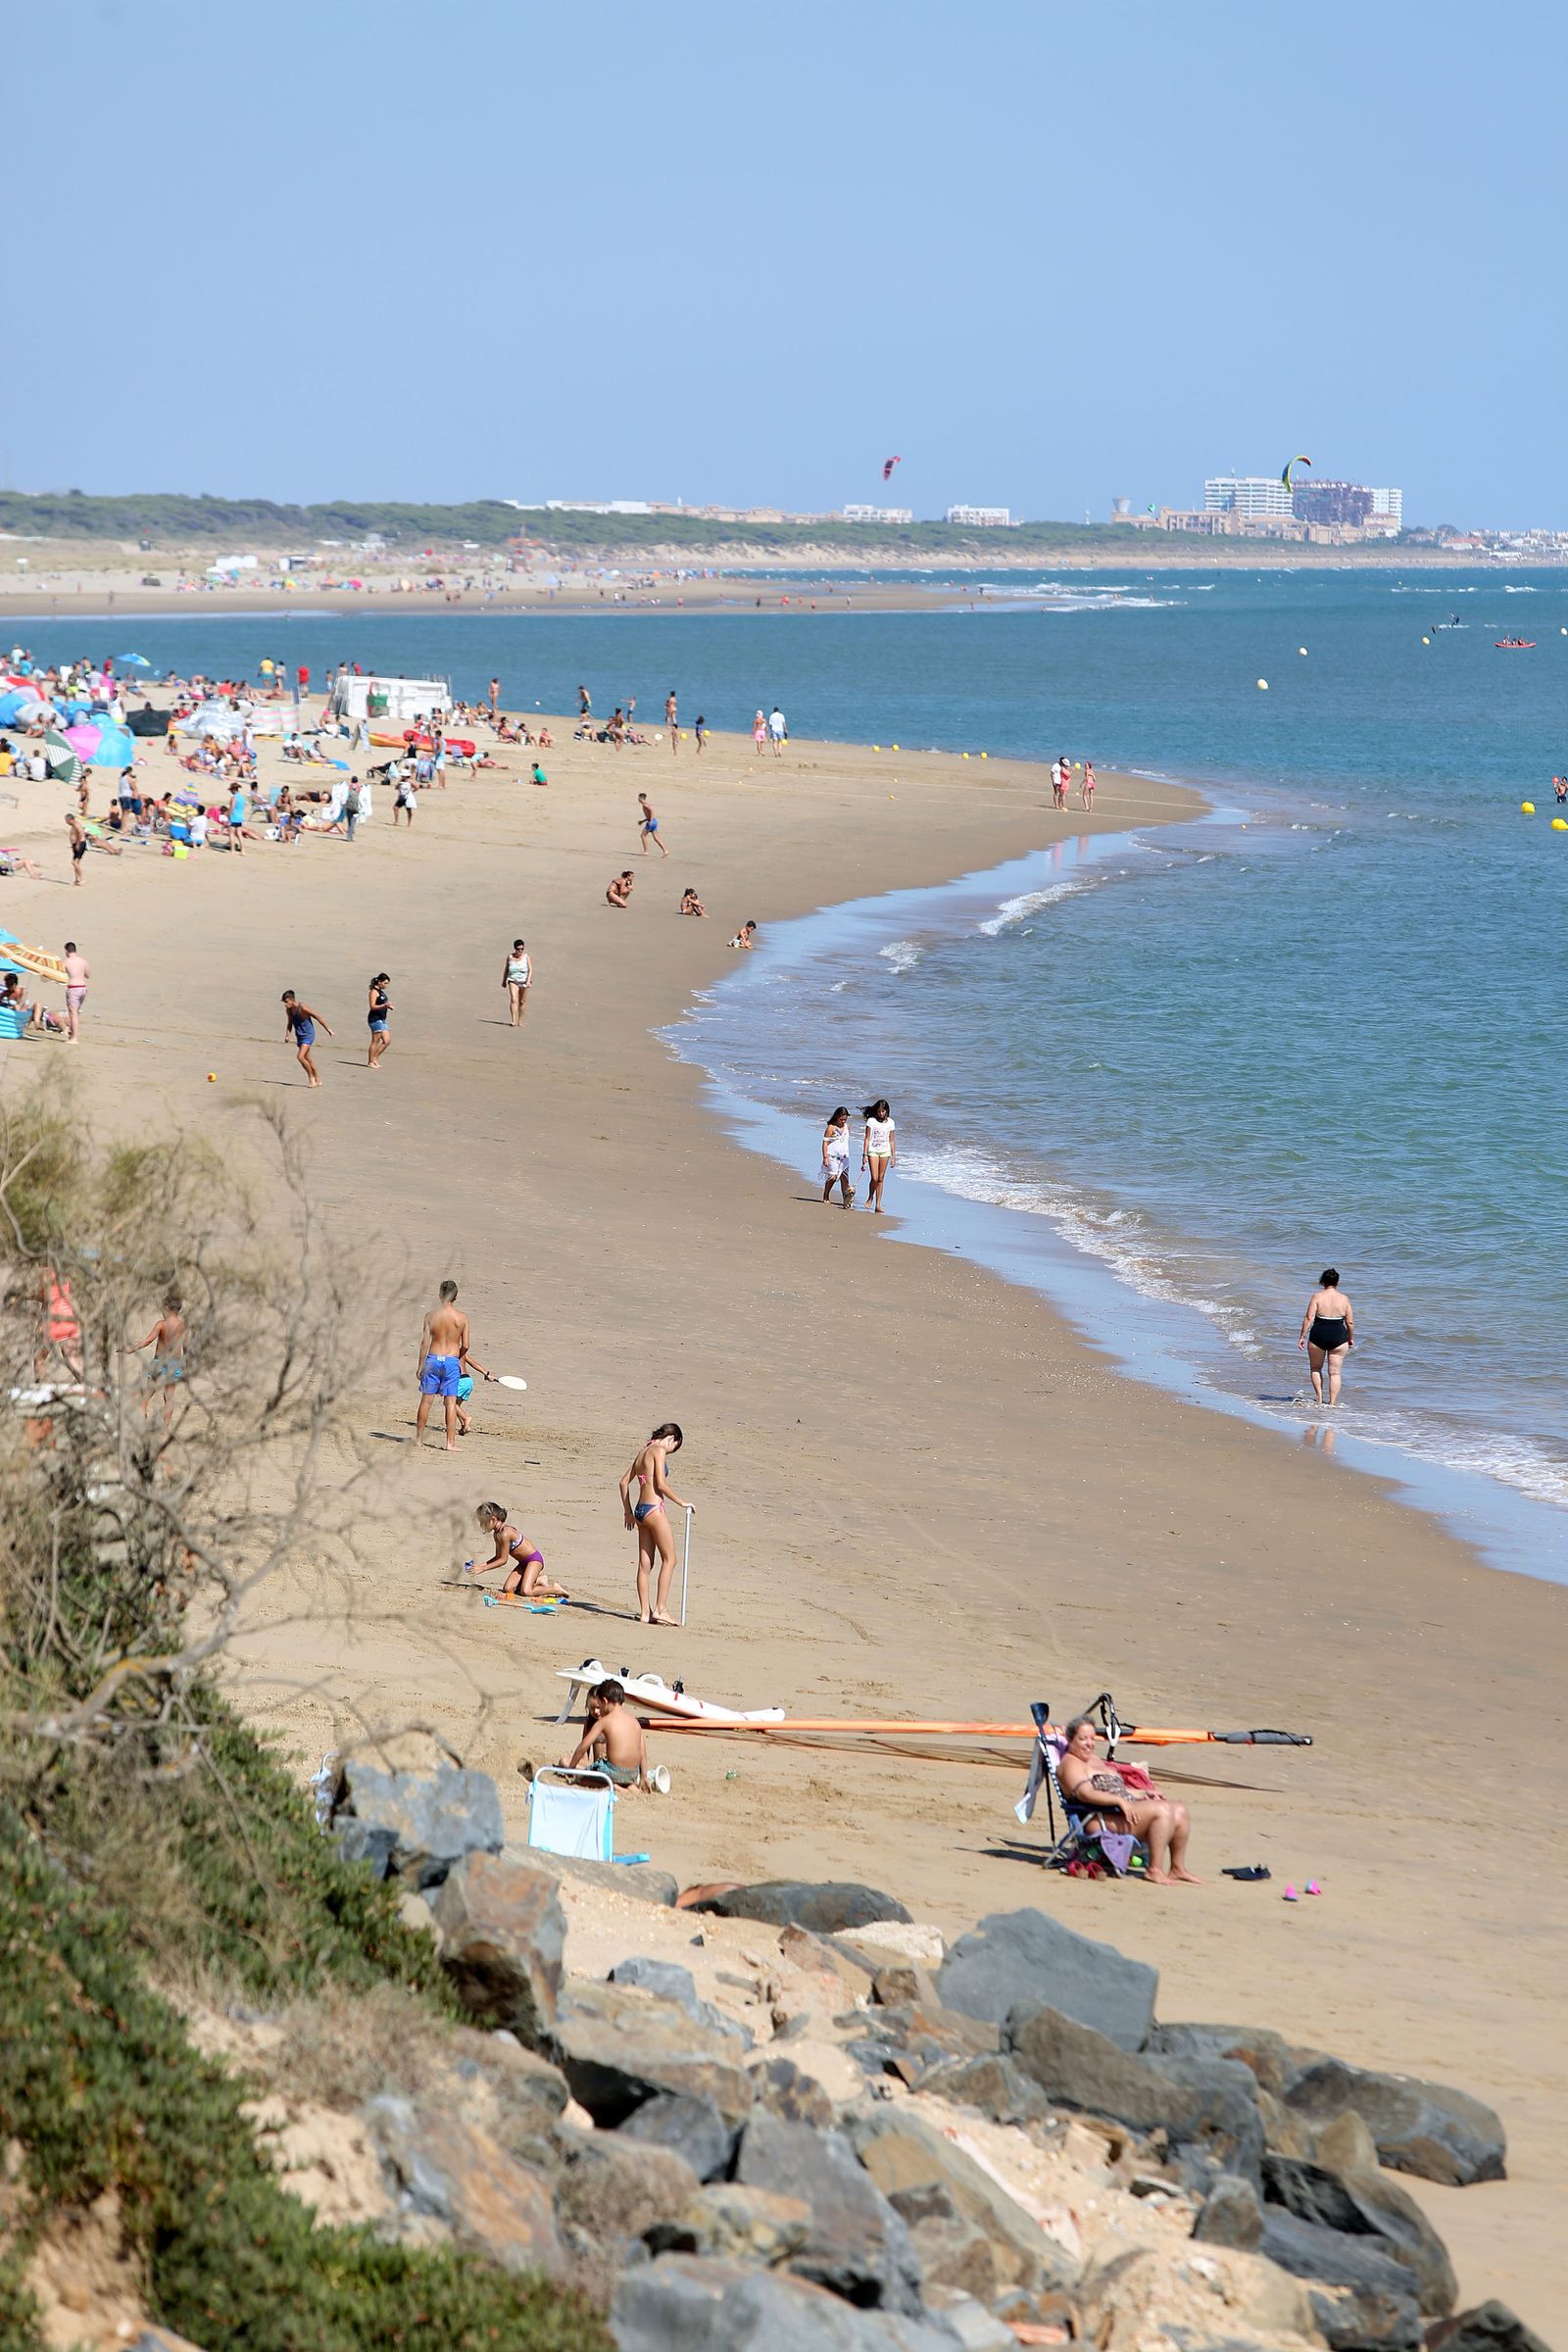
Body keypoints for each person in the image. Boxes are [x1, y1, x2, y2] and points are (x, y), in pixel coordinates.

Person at [1057, 1716, 1200, 1886]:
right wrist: (1120, 1801)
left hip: (1118, 1810)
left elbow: (1119, 1790)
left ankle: (1177, 1868)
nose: (1089, 1743)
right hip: (1098, 1818)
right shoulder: (1071, 1764)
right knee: (1163, 1810)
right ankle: (1154, 1870)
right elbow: (1086, 1794)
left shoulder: (1092, 1759)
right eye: (1082, 1739)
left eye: (1092, 1738)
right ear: (1070, 1740)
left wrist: (1144, 1793)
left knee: (1179, 1809)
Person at [619, 1422, 693, 1626]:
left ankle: (645, 1613)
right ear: (671, 1438)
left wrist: (627, 1511)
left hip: (640, 1511)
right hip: (654, 1510)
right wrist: (681, 1502)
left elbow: (623, 1482)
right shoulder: (658, 1450)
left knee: (645, 1564)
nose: (670, 1452)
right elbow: (660, 1484)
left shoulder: (643, 1452)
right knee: (670, 1559)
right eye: (673, 1447)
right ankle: (661, 1609)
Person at [559, 1678, 649, 1788]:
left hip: (611, 1772)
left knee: (580, 1779)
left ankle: (614, 1787)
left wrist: (571, 1769)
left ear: (605, 1702)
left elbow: (583, 1746)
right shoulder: (635, 1722)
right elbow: (642, 1752)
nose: (598, 1711)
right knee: (619, 1778)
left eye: (599, 1706)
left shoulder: (604, 1722)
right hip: (632, 1775)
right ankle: (630, 1788)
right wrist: (644, 1777)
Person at [467, 1500, 567, 1599]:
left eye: (483, 1522)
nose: (482, 1526)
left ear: (493, 1519)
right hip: (523, 1564)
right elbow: (498, 1557)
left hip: (534, 1560)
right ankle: (539, 1580)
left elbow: (503, 1560)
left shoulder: (505, 1533)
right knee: (508, 1589)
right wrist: (479, 1566)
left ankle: (554, 1588)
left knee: (526, 1591)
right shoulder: (497, 1534)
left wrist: (483, 1569)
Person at [416, 1278, 471, 1451]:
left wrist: (420, 1365)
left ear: (440, 1294)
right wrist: (457, 1358)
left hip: (433, 1358)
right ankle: (450, 1442)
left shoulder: (430, 1316)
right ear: (456, 1297)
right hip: (451, 1360)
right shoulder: (461, 1318)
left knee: (426, 1401)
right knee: (450, 1402)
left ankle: (418, 1439)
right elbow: (466, 1345)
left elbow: (424, 1343)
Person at [127, 1290, 187, 1427]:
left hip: (158, 1362)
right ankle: (165, 1429)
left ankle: (142, 1418)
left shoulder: (161, 1324)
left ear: (166, 1308)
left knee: (147, 1394)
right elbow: (186, 1347)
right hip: (174, 1364)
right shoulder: (183, 1326)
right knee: (169, 1397)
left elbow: (147, 1341)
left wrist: (131, 1349)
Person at [1298, 1267, 1354, 1406]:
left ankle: (1318, 1399)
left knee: (1316, 1368)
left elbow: (1309, 1318)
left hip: (1319, 1334)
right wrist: (1350, 1338)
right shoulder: (1344, 1298)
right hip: (1339, 1335)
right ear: (1337, 1282)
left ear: (1322, 1281)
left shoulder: (1317, 1297)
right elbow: (1350, 1322)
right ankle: (1332, 1403)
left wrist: (1302, 1336)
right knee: (1335, 1373)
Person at [280, 988, 330, 1086]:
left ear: (291, 999)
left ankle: (311, 1078)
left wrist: (328, 1029)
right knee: (308, 1059)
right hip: (299, 1035)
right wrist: (287, 1035)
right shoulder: (289, 1010)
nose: (285, 1004)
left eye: (286, 1002)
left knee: (300, 1057)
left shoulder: (302, 1007)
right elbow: (290, 1023)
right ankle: (317, 1077)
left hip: (308, 1035)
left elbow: (317, 1016)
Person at [861, 1098, 896, 1212]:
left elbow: (891, 1140)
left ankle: (878, 1204)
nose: (881, 1113)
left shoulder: (891, 1122)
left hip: (885, 1152)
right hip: (873, 1151)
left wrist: (893, 1156)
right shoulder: (871, 1121)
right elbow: (867, 1138)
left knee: (881, 1178)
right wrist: (864, 1154)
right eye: (879, 1111)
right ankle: (870, 1198)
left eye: (883, 1111)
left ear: (887, 1111)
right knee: (874, 1178)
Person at [821, 1106, 855, 1207]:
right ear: (836, 1117)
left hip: (844, 1157)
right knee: (833, 1177)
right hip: (832, 1156)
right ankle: (826, 1195)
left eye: (845, 1119)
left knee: (844, 1178)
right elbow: (825, 1143)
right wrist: (825, 1157)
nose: (843, 1121)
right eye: (841, 1119)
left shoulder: (847, 1127)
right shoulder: (831, 1127)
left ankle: (846, 1200)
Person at [62, 943, 89, 1044]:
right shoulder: (83, 961)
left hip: (73, 988)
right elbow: (88, 975)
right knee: (75, 1012)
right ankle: (72, 1034)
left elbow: (60, 975)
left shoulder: (66, 962)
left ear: (66, 951)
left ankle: (74, 1038)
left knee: (73, 1014)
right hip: (83, 988)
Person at [366, 971, 392, 1069]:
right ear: (379, 982)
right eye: (385, 983)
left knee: (387, 1041)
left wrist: (388, 1006)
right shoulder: (374, 992)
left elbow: (381, 1004)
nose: (386, 985)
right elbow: (372, 1006)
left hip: (382, 1019)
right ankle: (370, 1061)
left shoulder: (380, 991)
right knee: (375, 1041)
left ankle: (374, 1058)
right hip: (375, 1019)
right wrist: (384, 1005)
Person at [504, 938, 532, 1024]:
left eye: (522, 949)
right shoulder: (510, 957)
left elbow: (530, 969)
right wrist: (504, 980)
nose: (520, 951)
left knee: (522, 1001)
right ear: (515, 948)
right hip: (513, 980)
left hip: (524, 981)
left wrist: (528, 981)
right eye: (518, 949)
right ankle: (513, 1020)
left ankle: (520, 1021)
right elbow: (506, 969)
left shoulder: (526, 957)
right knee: (513, 999)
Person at [638, 793, 666, 857]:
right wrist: (642, 821)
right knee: (656, 838)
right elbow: (649, 815)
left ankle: (646, 851)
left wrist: (650, 821)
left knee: (643, 835)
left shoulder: (645, 805)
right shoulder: (646, 804)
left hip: (651, 822)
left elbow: (651, 811)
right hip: (654, 821)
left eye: (639, 798)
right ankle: (665, 850)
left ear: (641, 798)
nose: (638, 799)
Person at [66, 814, 88, 886]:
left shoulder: (76, 825)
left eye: (67, 820)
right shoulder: (74, 825)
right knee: (76, 863)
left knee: (74, 862)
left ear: (70, 820)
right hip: (76, 844)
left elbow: (80, 834)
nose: (66, 822)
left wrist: (78, 843)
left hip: (80, 844)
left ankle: (81, 879)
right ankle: (77, 879)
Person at [664, 689, 678, 754]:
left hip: (671, 708)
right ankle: (675, 724)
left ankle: (668, 725)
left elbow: (669, 704)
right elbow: (675, 704)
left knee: (669, 716)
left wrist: (667, 707)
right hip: (675, 708)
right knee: (674, 717)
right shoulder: (675, 699)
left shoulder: (670, 699)